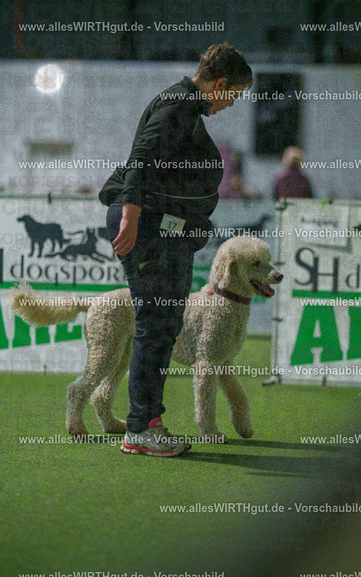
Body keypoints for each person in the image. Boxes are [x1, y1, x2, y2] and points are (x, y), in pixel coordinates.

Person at [98, 43, 253, 457]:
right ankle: (142, 428)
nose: (232, 103)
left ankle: (144, 423)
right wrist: (131, 213)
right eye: (234, 94)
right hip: (147, 225)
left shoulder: (184, 105)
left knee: (164, 323)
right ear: (220, 83)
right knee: (156, 324)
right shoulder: (179, 105)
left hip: (160, 227)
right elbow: (142, 156)